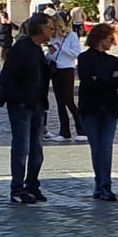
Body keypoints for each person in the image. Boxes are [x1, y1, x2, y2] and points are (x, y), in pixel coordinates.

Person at [0, 12, 54, 205]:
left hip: (37, 105)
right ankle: (17, 189)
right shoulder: (22, 48)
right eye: (50, 28)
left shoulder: (38, 50)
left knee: (36, 150)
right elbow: (7, 77)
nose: (53, 31)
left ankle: (32, 186)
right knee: (22, 148)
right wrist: (19, 100)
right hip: (21, 106)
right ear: (40, 29)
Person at [75, 23, 118, 201]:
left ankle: (105, 184)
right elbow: (89, 81)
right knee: (97, 147)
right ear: (100, 39)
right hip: (90, 108)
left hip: (110, 108)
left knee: (106, 147)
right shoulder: (84, 58)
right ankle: (100, 184)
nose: (112, 42)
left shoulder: (112, 60)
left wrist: (102, 79)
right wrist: (108, 80)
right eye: (110, 38)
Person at [47, 14, 83, 142]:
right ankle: (64, 132)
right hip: (56, 70)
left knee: (69, 100)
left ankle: (81, 129)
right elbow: (50, 57)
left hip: (67, 69)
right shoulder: (52, 38)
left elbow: (77, 53)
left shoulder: (71, 36)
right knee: (59, 102)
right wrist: (50, 53)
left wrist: (63, 48)